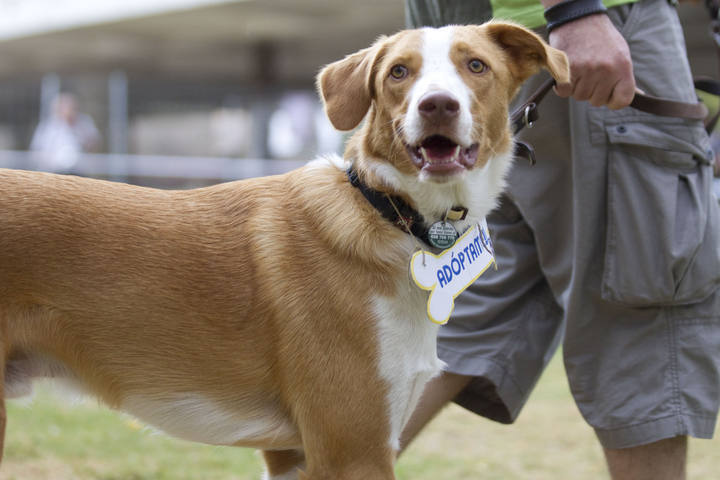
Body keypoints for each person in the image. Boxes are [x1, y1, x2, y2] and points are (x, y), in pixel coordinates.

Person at [401, 1, 720, 479]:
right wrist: (575, 12)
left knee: (460, 301)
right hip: (587, 26)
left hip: (467, 46)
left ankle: (309, 469)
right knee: (644, 306)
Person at [30, 92, 101, 173]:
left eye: (72, 107)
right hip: (55, 170)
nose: (69, 110)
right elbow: (38, 149)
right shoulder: (49, 125)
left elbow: (94, 144)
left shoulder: (84, 122)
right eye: (66, 107)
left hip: (79, 170)